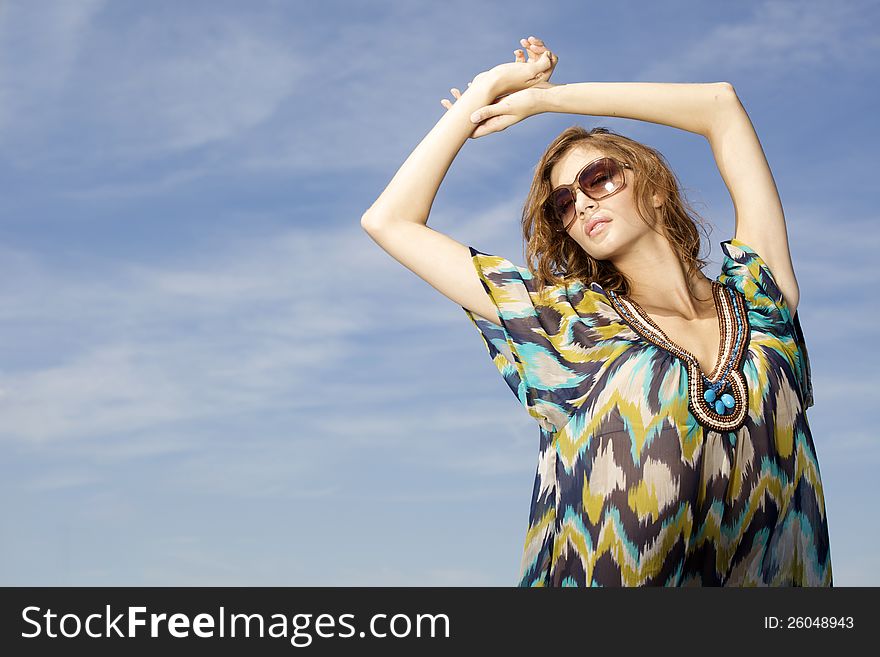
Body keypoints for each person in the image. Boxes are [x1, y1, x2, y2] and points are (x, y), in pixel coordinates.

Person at [361, 36, 832, 587]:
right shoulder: (567, 326)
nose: (581, 201)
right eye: (563, 202)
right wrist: (486, 92)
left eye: (598, 178)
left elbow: (719, 106)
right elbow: (389, 221)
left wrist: (547, 101)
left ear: (655, 188)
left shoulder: (762, 301)